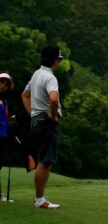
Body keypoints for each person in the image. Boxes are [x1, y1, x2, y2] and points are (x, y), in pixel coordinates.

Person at [21, 45, 64, 209]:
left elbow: (25, 95)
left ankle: (40, 198)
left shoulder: (36, 74)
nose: (59, 62)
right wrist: (53, 116)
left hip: (37, 120)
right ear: (55, 60)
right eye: (59, 59)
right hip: (46, 122)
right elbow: (53, 99)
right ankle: (39, 200)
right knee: (45, 161)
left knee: (46, 160)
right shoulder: (50, 77)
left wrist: (33, 113)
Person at [0, 73, 14, 203]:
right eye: (1, 82)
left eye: (6, 84)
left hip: (4, 134)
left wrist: (10, 119)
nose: (3, 86)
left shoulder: (4, 99)